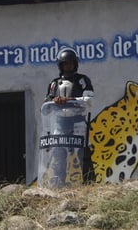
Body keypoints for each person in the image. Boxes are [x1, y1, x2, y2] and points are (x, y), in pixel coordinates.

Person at [41, 47, 94, 187]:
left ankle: (89, 184)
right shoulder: (54, 84)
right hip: (60, 123)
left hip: (78, 123)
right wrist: (54, 101)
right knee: (58, 153)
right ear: (60, 65)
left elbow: (89, 99)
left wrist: (70, 99)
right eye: (65, 64)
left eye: (70, 63)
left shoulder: (82, 80)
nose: (68, 66)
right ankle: (59, 184)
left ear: (75, 64)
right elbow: (46, 104)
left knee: (83, 154)